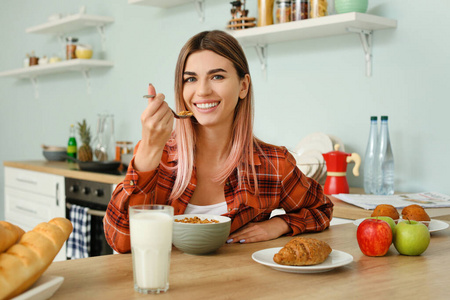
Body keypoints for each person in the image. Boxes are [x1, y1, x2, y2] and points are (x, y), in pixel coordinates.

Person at [103, 30, 333, 253]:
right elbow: (120, 240)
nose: (202, 91)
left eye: (217, 76)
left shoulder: (275, 164)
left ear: (243, 86)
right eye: (191, 79)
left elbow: (321, 209)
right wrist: (150, 148)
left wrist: (279, 225)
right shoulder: (157, 156)